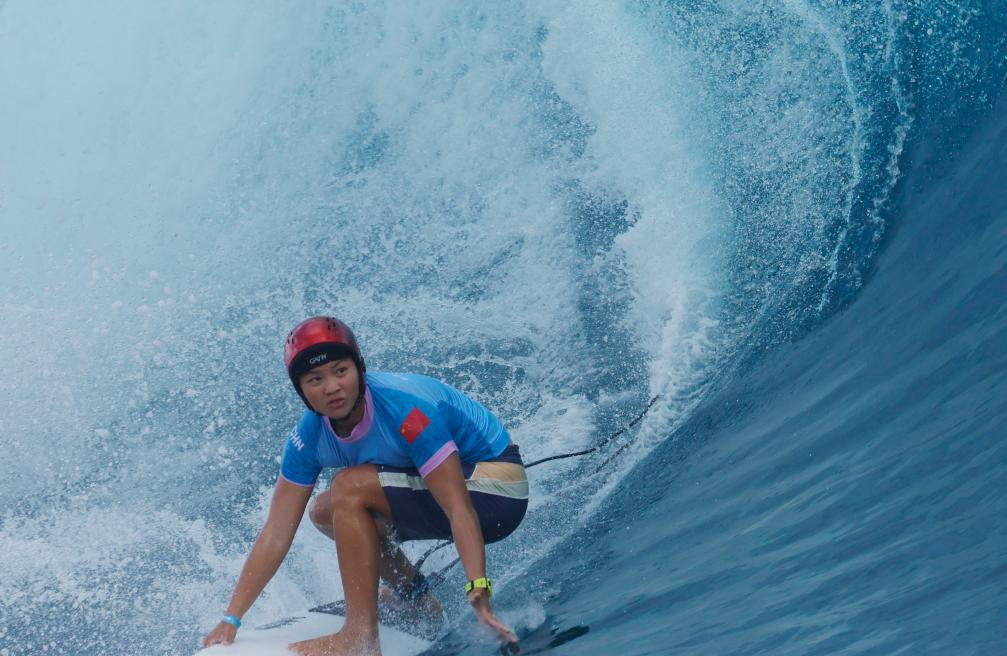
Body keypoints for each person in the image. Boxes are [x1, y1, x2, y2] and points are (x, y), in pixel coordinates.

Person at [201, 316, 529, 655]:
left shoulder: (406, 410)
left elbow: (457, 508)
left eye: (340, 371)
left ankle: (360, 637)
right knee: (325, 510)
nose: (331, 387)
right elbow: (276, 531)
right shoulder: (309, 437)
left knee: (349, 488)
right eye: (315, 379)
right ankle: (416, 598)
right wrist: (232, 618)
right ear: (301, 389)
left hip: (495, 493)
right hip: (451, 495)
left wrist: (478, 589)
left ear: (360, 368)